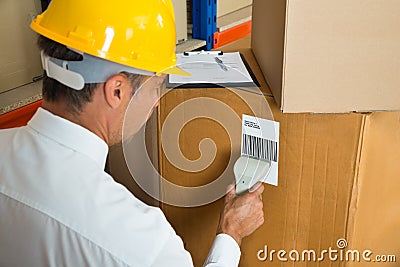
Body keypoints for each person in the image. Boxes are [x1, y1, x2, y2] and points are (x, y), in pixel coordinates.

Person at [0, 0, 265, 266]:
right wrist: (231, 233)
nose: (157, 101)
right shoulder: (140, 242)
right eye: (156, 86)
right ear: (117, 90)